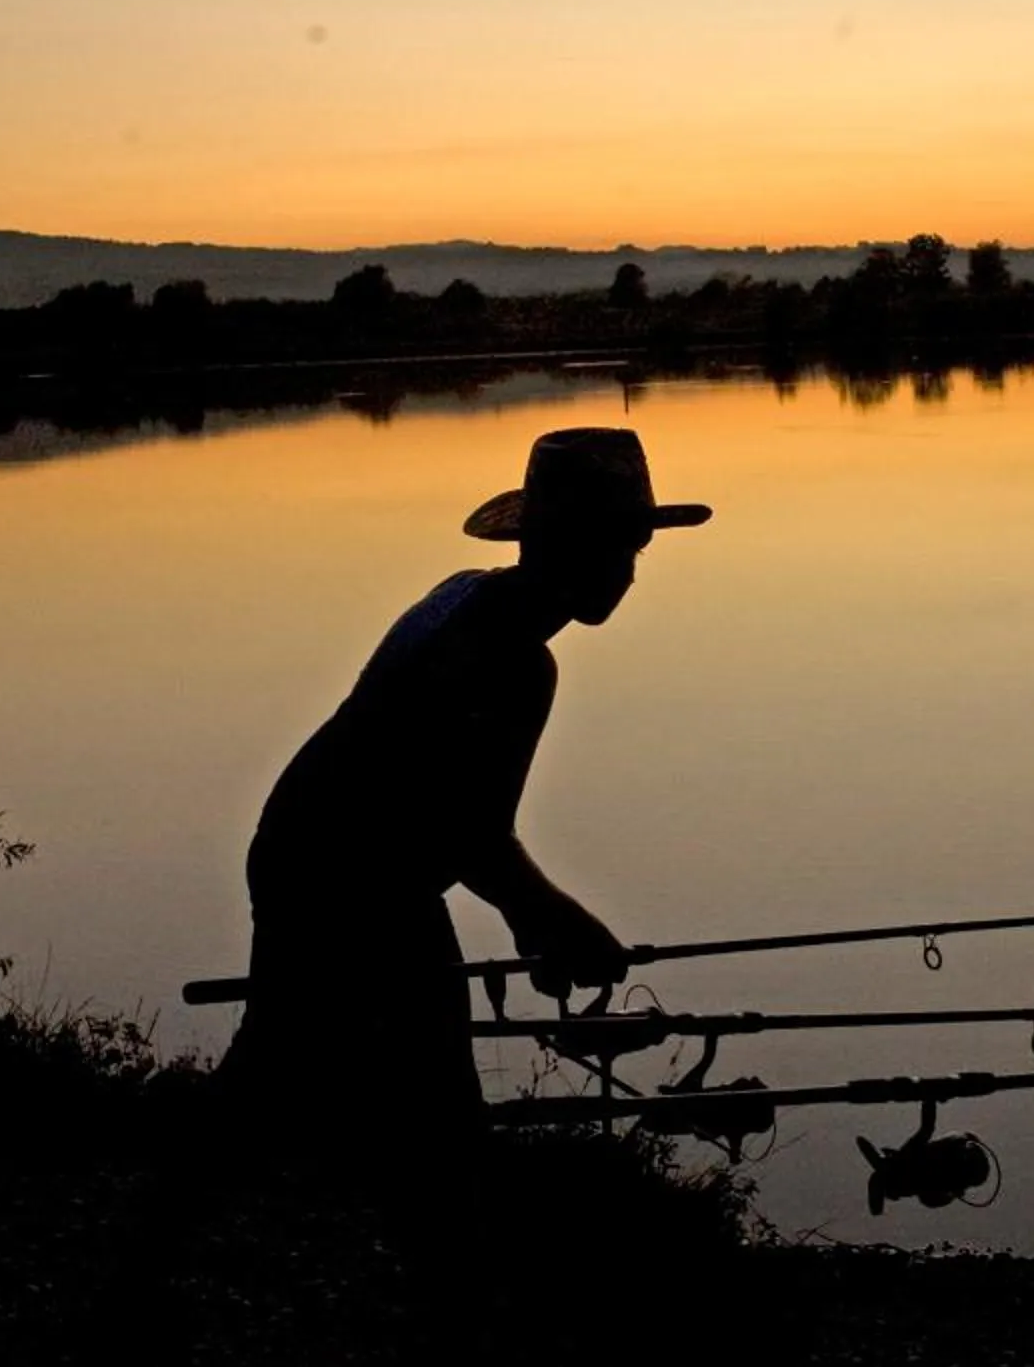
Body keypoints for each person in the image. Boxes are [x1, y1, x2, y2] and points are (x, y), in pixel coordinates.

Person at [219, 427, 712, 1136]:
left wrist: (526, 916)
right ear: (571, 547)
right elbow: (476, 837)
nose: (629, 573)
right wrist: (566, 922)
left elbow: (456, 817)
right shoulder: (516, 663)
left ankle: (198, 1176)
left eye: (637, 549)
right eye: (620, 548)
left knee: (281, 1059)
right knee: (433, 1107)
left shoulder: (463, 594)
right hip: (356, 883)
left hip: (300, 851)